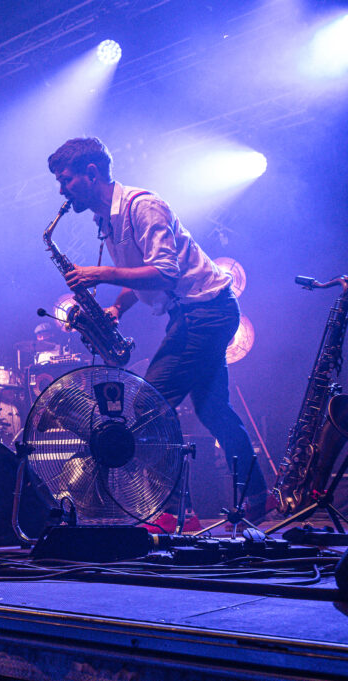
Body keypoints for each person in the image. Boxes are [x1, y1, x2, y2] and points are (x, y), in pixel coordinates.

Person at [46, 137, 268, 521]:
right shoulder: (107, 220)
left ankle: (169, 512)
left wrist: (99, 273)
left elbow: (166, 271)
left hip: (205, 312)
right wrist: (117, 305)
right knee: (214, 411)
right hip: (197, 313)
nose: (62, 190)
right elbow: (141, 271)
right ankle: (260, 499)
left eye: (66, 180)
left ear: (91, 173)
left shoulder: (143, 206)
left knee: (148, 409)